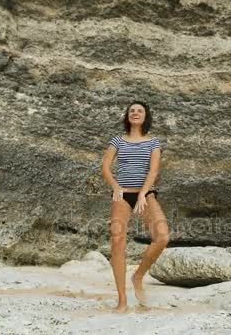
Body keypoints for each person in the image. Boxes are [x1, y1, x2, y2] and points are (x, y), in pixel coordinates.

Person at [101, 101, 170, 313]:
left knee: (162, 237)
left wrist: (142, 193)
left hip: (145, 193)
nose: (135, 113)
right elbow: (105, 166)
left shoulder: (153, 143)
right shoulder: (117, 141)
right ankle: (122, 301)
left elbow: (153, 170)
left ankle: (138, 276)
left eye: (140, 110)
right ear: (127, 116)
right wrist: (116, 187)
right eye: (132, 110)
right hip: (122, 194)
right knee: (118, 242)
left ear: (145, 116)